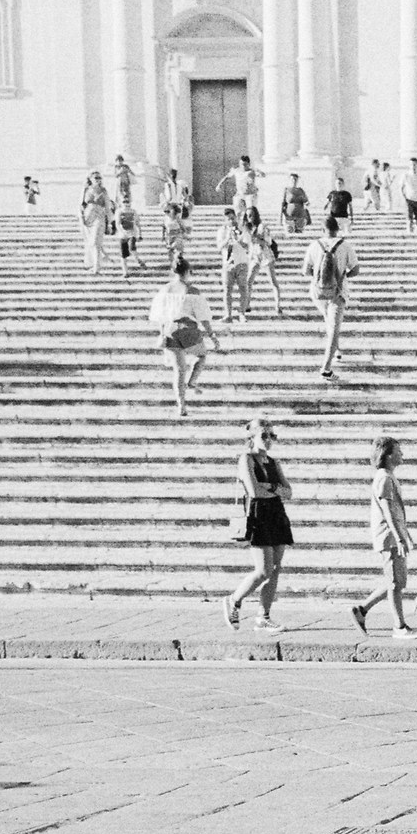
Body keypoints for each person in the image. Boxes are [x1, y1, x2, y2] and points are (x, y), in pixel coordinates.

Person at [224, 419, 294, 633]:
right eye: (264, 435)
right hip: (260, 514)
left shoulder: (273, 462)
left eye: (272, 436)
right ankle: (234, 600)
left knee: (275, 570)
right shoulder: (247, 459)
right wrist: (275, 490)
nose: (269, 440)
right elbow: (254, 492)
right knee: (263, 570)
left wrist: (270, 487)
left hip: (277, 514)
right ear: (251, 438)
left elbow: (288, 492)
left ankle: (263, 616)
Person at [351, 438, 417, 641]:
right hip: (388, 536)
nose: (402, 454)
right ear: (388, 455)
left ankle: (362, 610)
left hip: (393, 534)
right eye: (398, 451)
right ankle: (399, 626)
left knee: (397, 581)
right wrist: (399, 536)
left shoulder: (388, 476)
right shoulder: (384, 478)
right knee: (396, 583)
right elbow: (387, 509)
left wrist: (405, 532)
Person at [149, 256, 219, 417]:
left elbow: (160, 315)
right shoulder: (192, 291)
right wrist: (212, 336)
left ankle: (181, 406)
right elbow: (203, 317)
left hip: (170, 330)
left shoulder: (165, 289)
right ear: (187, 272)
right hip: (188, 330)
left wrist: (162, 333)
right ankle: (192, 381)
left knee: (178, 371)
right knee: (201, 355)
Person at [303, 214, 353, 380]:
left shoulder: (314, 245)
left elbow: (305, 271)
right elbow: (356, 270)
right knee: (333, 328)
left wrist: (319, 278)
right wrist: (342, 275)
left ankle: (336, 350)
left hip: (318, 293)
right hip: (338, 292)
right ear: (337, 229)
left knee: (328, 320)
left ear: (323, 230)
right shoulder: (345, 246)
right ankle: (326, 368)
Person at [79, 179, 110, 274]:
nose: (98, 180)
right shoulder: (86, 190)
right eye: (95, 178)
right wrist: (82, 217)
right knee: (91, 243)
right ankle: (96, 262)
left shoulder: (103, 191)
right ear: (91, 179)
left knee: (95, 242)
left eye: (99, 178)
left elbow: (107, 207)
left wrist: (109, 222)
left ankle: (97, 266)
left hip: (99, 217)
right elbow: (81, 204)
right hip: (88, 218)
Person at [111, 197, 145, 277]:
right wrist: (122, 232)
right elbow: (117, 224)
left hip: (131, 233)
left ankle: (138, 260)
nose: (126, 204)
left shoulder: (133, 211)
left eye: (127, 202)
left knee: (132, 248)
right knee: (123, 255)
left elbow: (137, 223)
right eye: (124, 202)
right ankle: (125, 272)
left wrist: (140, 234)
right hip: (122, 235)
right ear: (121, 203)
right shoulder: (119, 211)